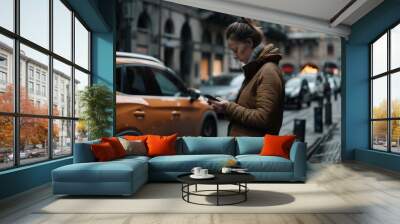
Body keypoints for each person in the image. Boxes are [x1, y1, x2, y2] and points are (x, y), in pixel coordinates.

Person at [208, 18, 284, 137]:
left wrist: (229, 107)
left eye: (236, 50)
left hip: (256, 150)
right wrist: (225, 109)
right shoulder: (256, 70)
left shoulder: (268, 71)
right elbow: (248, 110)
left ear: (249, 43)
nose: (234, 56)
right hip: (248, 148)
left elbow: (264, 118)